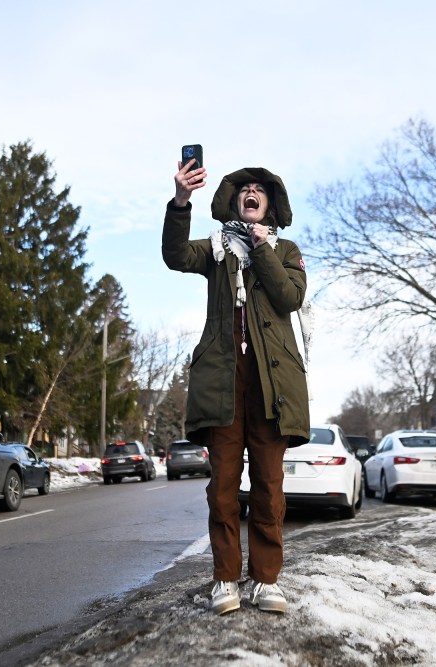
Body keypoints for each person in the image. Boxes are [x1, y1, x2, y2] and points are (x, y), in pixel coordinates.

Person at [161, 158, 310, 616]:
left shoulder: (285, 251)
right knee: (222, 489)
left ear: (269, 205)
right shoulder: (215, 248)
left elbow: (290, 297)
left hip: (272, 387)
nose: (251, 193)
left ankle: (265, 581)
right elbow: (174, 256)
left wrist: (262, 248)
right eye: (243, 188)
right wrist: (181, 201)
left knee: (269, 488)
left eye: (259, 190)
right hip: (224, 384)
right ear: (233, 199)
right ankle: (225, 578)